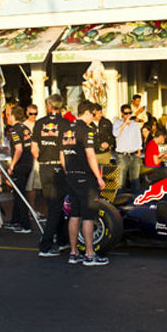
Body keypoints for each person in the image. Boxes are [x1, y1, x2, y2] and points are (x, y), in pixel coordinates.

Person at [62, 101, 108, 266]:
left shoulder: (67, 129)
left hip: (71, 176)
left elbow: (62, 155)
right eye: (93, 114)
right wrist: (99, 177)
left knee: (74, 214)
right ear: (88, 113)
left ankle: (73, 253)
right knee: (88, 215)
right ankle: (89, 254)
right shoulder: (86, 130)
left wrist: (67, 171)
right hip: (85, 177)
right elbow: (90, 155)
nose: (94, 117)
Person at [32, 94, 72, 257]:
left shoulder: (39, 123)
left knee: (55, 205)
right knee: (56, 208)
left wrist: (41, 160)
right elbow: (66, 150)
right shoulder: (65, 124)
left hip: (44, 167)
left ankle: (62, 241)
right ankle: (45, 245)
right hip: (58, 167)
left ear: (49, 106)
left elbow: (34, 148)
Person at [4, 105, 34, 234]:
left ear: (13, 116)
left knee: (20, 194)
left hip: (20, 165)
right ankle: (15, 220)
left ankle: (25, 224)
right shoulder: (25, 128)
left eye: (9, 115)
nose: (8, 117)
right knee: (17, 192)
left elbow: (19, 149)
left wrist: (12, 165)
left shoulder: (15, 130)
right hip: (28, 163)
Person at [112, 103, 143, 194]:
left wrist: (139, 150)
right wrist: (125, 123)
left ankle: (136, 202)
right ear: (122, 114)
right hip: (122, 155)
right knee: (121, 182)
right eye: (126, 113)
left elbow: (138, 137)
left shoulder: (135, 124)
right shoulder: (117, 123)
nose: (128, 115)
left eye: (130, 113)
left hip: (134, 154)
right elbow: (115, 134)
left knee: (135, 180)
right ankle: (120, 203)